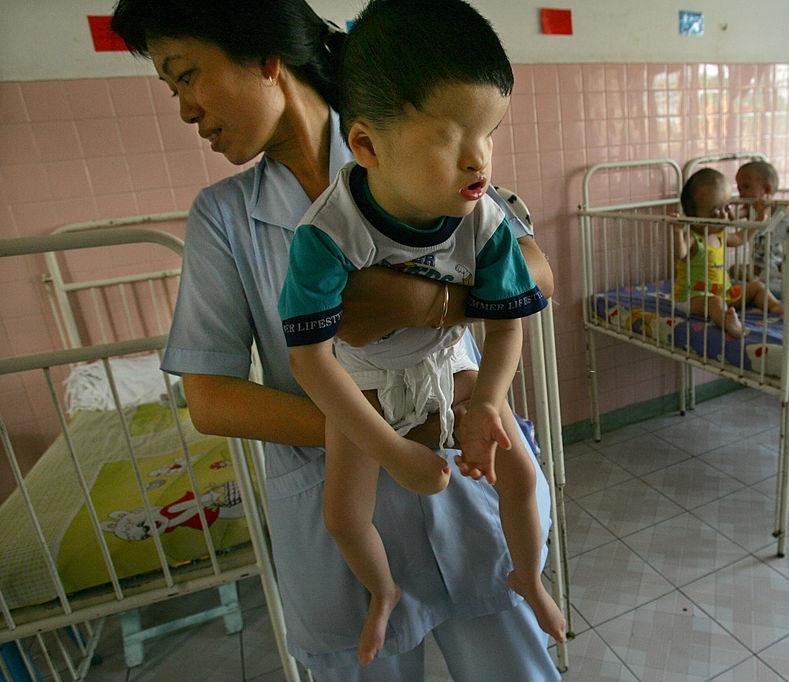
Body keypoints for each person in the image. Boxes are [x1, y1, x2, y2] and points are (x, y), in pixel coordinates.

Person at [109, 1, 561, 680]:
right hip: (341, 505)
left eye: (188, 75)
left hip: (465, 488)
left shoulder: (419, 132)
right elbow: (210, 400)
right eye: (173, 88)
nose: (186, 108)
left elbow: (537, 273)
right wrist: (375, 433)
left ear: (267, 59)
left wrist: (420, 301)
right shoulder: (224, 219)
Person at [277, 0, 565, 665]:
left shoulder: (483, 218)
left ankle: (527, 572)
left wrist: (489, 399)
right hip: (363, 374)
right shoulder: (326, 233)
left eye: (489, 133)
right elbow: (312, 364)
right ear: (369, 144)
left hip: (445, 360)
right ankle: (383, 591)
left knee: (517, 471)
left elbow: (506, 324)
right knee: (344, 516)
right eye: (450, 137)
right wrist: (392, 450)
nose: (479, 160)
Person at [674, 168, 784, 337]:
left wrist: (758, 221)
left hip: (723, 292)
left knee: (757, 287)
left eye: (726, 207)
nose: (725, 215)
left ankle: (776, 306)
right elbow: (680, 253)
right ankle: (728, 322)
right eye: (716, 211)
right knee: (714, 303)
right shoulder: (694, 237)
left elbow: (741, 238)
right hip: (692, 297)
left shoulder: (720, 235)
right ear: (693, 216)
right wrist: (677, 232)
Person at [734, 160, 789, 298]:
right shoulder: (750, 210)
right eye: (739, 189)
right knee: (734, 270)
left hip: (781, 262)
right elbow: (733, 216)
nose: (741, 194)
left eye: (746, 187)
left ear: (767, 189)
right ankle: (761, 281)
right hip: (759, 264)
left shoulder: (785, 213)